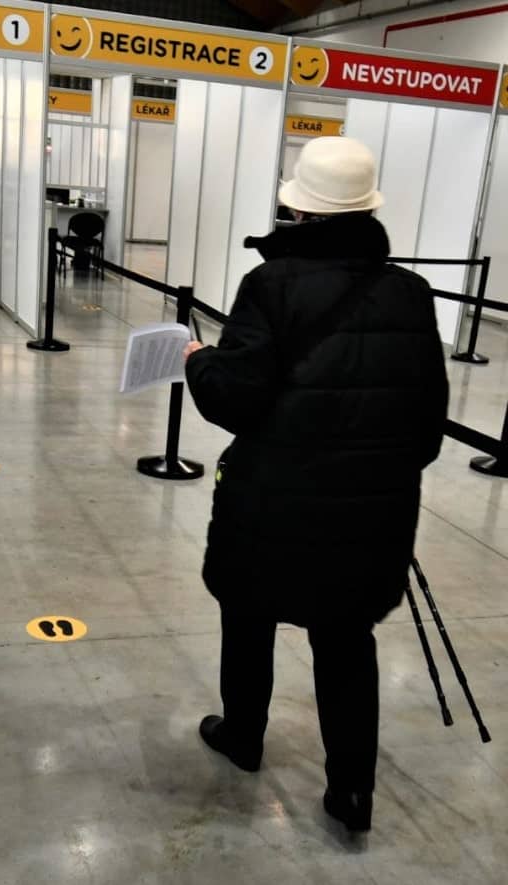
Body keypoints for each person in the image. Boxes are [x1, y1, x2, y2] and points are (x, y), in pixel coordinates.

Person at [182, 136, 449, 833]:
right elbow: (427, 427)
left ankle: (243, 735)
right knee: (346, 639)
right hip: (371, 511)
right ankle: (352, 791)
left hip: (271, 499)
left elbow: (234, 400)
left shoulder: (270, 285)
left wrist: (199, 360)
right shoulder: (411, 293)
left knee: (249, 617)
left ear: (299, 211)